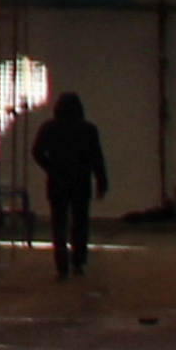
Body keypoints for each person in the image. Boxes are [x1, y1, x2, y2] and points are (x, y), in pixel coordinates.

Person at [29, 90, 109, 276]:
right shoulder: (88, 129)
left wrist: (51, 167)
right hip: (81, 181)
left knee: (59, 224)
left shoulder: (49, 127)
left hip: (58, 181)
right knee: (80, 223)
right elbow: (97, 158)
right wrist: (101, 182)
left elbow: (37, 152)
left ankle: (61, 264)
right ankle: (78, 261)